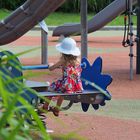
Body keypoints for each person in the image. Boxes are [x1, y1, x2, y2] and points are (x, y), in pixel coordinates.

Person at [43, 37, 83, 116]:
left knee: (51, 88)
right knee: (63, 92)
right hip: (76, 85)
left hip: (66, 84)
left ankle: (45, 106)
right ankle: (57, 109)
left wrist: (50, 64)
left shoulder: (63, 60)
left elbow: (51, 68)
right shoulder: (78, 60)